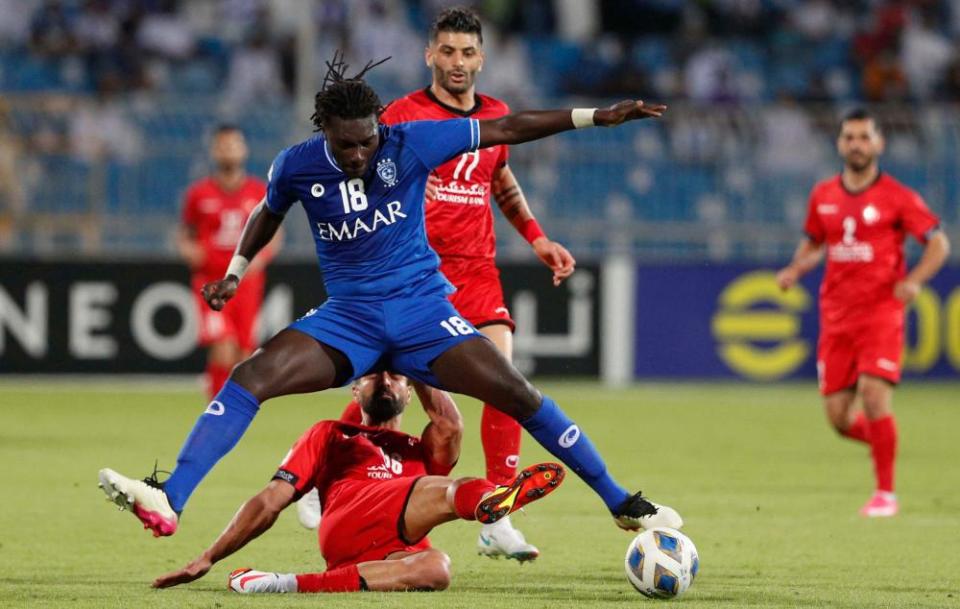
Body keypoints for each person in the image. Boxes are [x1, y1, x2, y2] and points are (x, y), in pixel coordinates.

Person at [98, 52, 682, 540]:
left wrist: (596, 116)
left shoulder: (412, 144)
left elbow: (508, 128)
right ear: (324, 133)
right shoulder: (296, 166)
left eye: (366, 142)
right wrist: (237, 268)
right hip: (348, 320)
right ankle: (170, 497)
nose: (358, 156)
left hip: (422, 313)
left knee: (517, 393)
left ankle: (620, 502)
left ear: (379, 125)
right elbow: (265, 212)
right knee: (250, 377)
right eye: (346, 146)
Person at [303, 7, 576, 561]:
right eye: (447, 51)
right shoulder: (402, 115)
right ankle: (321, 479)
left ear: (482, 58)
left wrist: (537, 237)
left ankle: (499, 514)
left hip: (476, 268)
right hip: (412, 272)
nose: (457, 62)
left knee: (504, 378)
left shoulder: (495, 116)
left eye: (468, 53)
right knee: (386, 394)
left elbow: (499, 176)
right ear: (430, 54)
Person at [151, 371, 566, 594]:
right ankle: (492, 504)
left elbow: (450, 423)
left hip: (393, 545)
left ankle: (284, 584)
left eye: (396, 378)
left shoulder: (419, 446)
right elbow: (270, 500)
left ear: (409, 393)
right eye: (372, 376)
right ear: (354, 388)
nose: (385, 381)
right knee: (450, 488)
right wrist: (210, 556)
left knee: (437, 569)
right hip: (350, 515)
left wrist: (418, 364)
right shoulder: (330, 434)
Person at [776, 108, 949, 517]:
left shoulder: (899, 197)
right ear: (840, 144)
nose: (857, 144)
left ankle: (885, 493)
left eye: (864, 137)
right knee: (838, 418)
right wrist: (796, 268)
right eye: (849, 137)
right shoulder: (823, 195)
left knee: (874, 396)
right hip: (836, 315)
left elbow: (939, 244)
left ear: (879, 143)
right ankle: (886, 445)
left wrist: (916, 280)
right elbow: (816, 242)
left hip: (881, 312)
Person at [177, 124, 276, 399]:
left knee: (244, 352)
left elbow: (274, 231)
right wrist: (189, 250)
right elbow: (185, 233)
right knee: (223, 346)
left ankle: (230, 405)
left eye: (233, 144)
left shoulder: (258, 191)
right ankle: (217, 411)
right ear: (214, 151)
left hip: (247, 282)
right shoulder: (199, 194)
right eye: (222, 145)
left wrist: (264, 256)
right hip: (211, 279)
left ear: (243, 149)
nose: (228, 150)